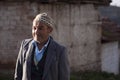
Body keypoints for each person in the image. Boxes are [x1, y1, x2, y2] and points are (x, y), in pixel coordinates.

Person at [14, 13, 70, 80]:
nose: (36, 32)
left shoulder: (60, 51)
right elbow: (18, 74)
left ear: (50, 30)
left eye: (40, 28)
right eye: (34, 28)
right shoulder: (25, 46)